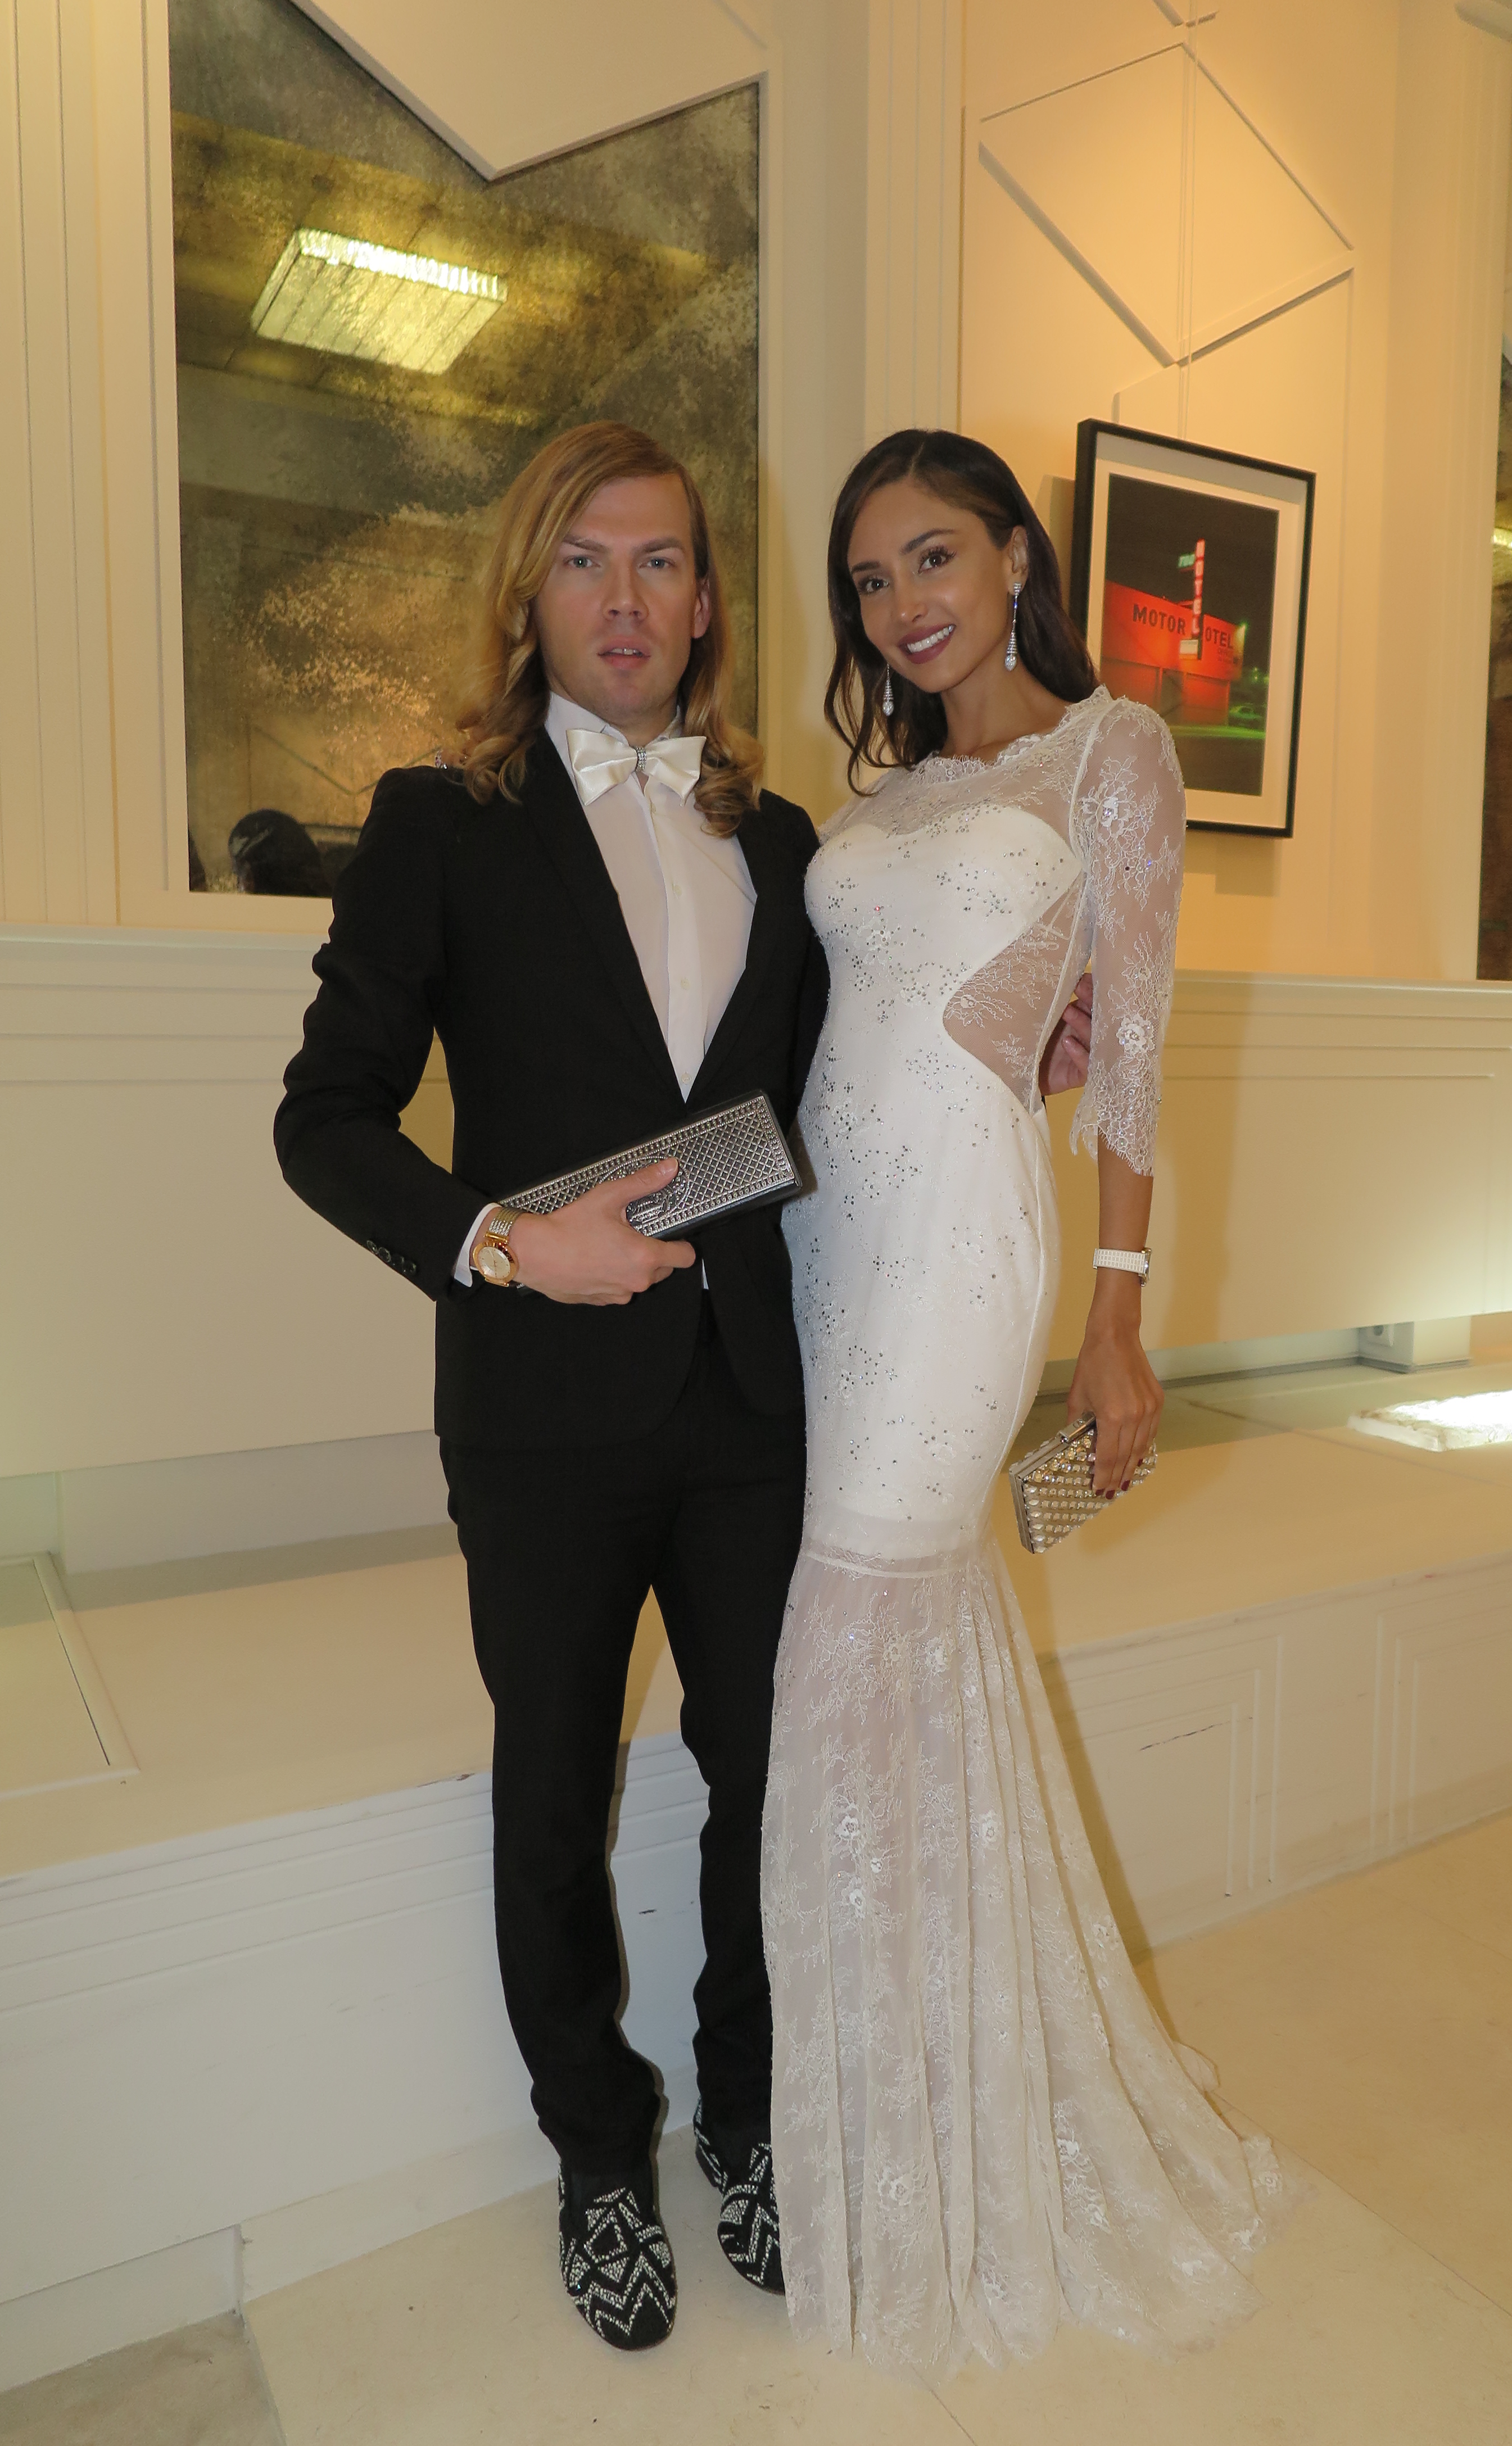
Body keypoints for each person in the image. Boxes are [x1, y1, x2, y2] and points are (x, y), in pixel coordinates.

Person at [274, 422, 829, 2352]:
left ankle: (747, 2121)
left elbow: (814, 1101)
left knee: (775, 1782)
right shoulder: (443, 818)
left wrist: (1031, 1034)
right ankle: (600, 2158)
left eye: (661, 560)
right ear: (530, 592)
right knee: (553, 1796)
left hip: (750, 1400)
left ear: (708, 601)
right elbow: (325, 1121)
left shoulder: (783, 841)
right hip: (538, 1411)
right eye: (584, 559)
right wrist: (511, 1245)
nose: (625, 597)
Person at [762, 429, 1292, 2376]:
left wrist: (1120, 1322)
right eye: (869, 579)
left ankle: (917, 2139)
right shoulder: (878, 791)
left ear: (1011, 554)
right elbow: (825, 1032)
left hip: (961, 1248)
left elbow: (1128, 1053)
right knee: (874, 1637)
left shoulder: (1114, 753)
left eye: (932, 557)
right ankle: (902, 2079)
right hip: (819, 1230)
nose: (902, 604)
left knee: (855, 1620)